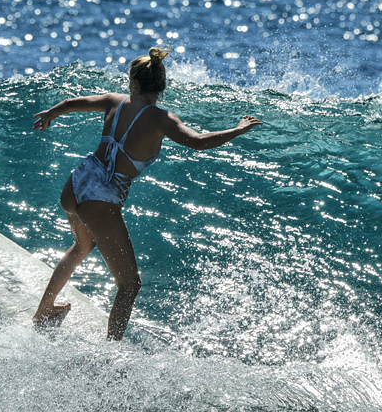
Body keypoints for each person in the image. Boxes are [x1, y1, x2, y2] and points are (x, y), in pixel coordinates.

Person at [32, 47, 262, 340]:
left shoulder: (114, 101)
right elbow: (199, 142)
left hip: (76, 184)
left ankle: (44, 310)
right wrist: (237, 130)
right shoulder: (161, 119)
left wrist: (51, 113)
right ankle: (110, 352)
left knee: (81, 246)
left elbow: (71, 102)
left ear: (134, 83)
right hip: (99, 200)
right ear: (161, 87)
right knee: (129, 285)